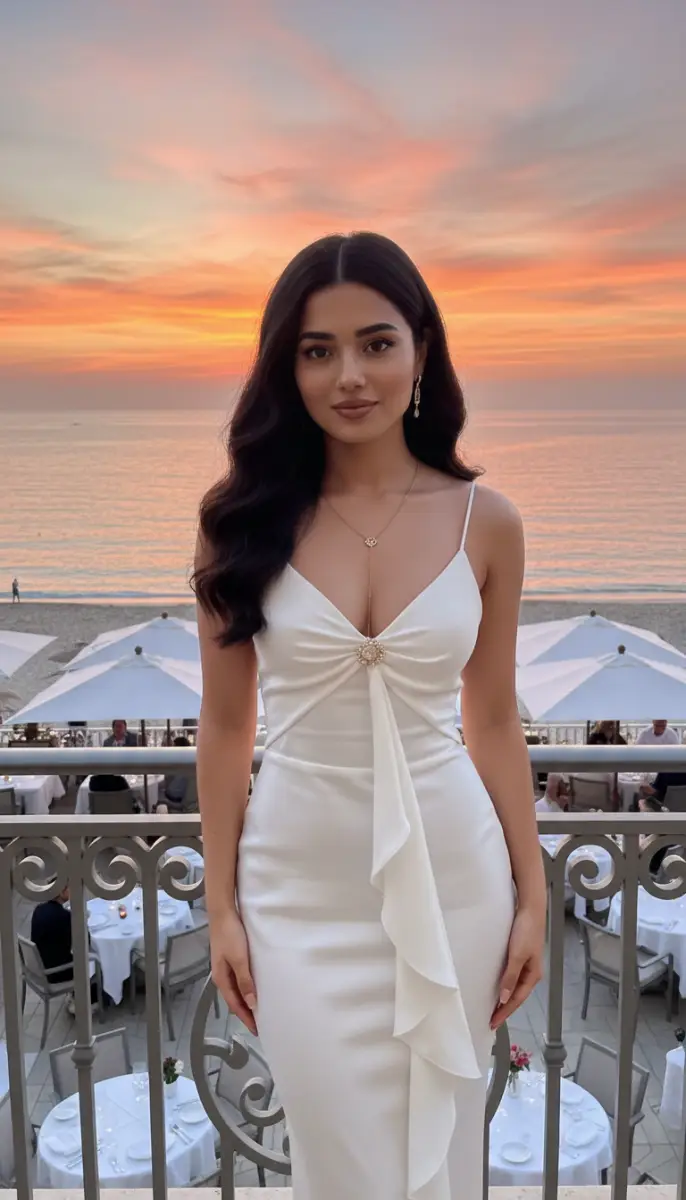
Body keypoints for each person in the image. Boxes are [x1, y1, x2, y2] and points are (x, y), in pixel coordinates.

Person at [192, 231, 546, 1200]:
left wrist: (532, 893)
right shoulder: (241, 521)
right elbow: (225, 731)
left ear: (420, 351)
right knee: (336, 1163)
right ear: (285, 366)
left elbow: (493, 720)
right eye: (316, 351)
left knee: (441, 1154)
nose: (348, 375)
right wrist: (220, 907)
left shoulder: (489, 523)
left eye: (375, 343)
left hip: (454, 880)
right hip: (296, 893)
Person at [30, 886, 99, 1013]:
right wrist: (82, 921)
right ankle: (91, 1001)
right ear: (62, 892)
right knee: (96, 961)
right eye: (70, 888)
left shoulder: (39, 910)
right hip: (56, 973)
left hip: (38, 967)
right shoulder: (64, 916)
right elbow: (85, 942)